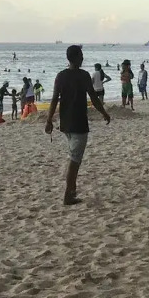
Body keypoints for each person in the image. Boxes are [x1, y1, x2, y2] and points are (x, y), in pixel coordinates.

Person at [44, 45, 111, 206]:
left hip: (65, 124)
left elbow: (54, 99)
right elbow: (94, 97)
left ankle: (72, 191)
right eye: (81, 55)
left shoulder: (61, 76)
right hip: (79, 123)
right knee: (74, 161)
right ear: (75, 58)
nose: (83, 58)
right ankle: (68, 195)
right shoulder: (83, 76)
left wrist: (49, 120)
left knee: (74, 158)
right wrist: (104, 113)